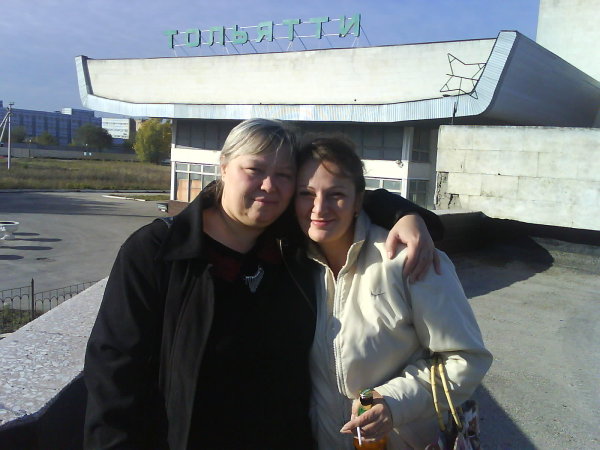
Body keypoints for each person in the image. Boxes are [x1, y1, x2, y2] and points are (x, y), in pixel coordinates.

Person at [83, 119, 443, 449]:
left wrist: (404, 214)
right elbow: (114, 371)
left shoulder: (291, 246)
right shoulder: (160, 251)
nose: (269, 186)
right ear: (224, 167)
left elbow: (343, 194)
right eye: (254, 169)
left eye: (284, 175)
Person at [293, 135, 492, 449]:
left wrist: (392, 402)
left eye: (336, 194)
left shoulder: (408, 259)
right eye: (306, 194)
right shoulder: (293, 264)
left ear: (358, 201)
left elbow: (466, 358)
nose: (319, 207)